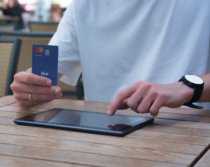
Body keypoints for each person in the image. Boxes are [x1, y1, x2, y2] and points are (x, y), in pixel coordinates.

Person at [11, 0, 210, 116]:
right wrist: (29, 86)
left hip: (189, 130)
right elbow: (47, 70)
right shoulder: (83, 4)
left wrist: (186, 87)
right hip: (102, 131)